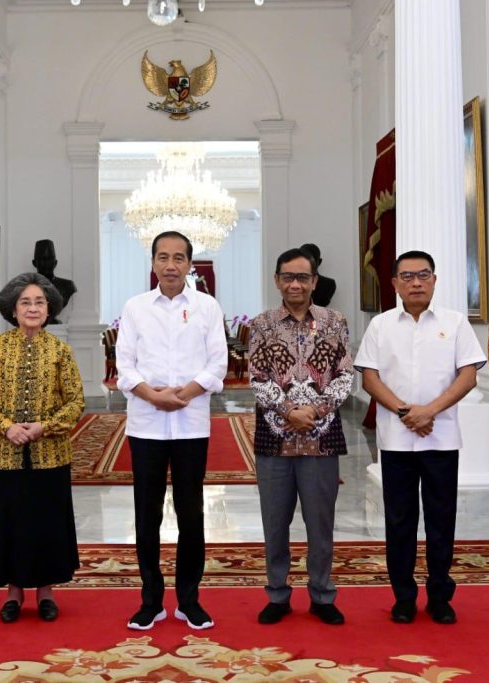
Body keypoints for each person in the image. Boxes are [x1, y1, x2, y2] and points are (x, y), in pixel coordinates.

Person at [355, 250, 486, 625]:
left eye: (423, 275)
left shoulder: (455, 323)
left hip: (440, 438)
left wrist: (429, 411)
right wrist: (405, 412)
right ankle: (404, 597)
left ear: (434, 280)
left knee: (441, 520)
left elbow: (468, 376)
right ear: (395, 283)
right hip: (397, 441)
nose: (416, 283)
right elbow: (370, 378)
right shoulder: (380, 325)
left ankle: (440, 596)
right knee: (399, 521)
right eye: (407, 276)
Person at [115, 230, 229, 631]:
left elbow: (218, 363)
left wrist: (185, 393)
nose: (170, 265)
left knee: (191, 514)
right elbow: (124, 365)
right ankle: (151, 601)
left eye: (179, 258)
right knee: (146, 516)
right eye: (162, 257)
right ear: (152, 263)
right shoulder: (135, 307)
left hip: (190, 424)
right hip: (146, 424)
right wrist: (152, 395)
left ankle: (188, 601)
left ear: (189, 264)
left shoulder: (207, 307)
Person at [0, 272, 85, 623]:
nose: (32, 308)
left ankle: (46, 593)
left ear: (48, 309)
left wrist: (43, 427)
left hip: (50, 455)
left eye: (39, 302)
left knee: (46, 523)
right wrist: (6, 426)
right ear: (13, 310)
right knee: (11, 523)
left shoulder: (60, 350)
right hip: (3, 454)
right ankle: (14, 594)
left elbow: (75, 402)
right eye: (25, 302)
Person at [249, 247, 354, 626]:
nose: (295, 284)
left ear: (314, 281)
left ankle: (322, 595)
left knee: (320, 523)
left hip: (321, 439)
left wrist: (316, 411)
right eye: (288, 277)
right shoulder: (262, 324)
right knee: (275, 523)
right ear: (277, 281)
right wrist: (288, 411)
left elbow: (345, 375)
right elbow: (257, 378)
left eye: (303, 278)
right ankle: (277, 594)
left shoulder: (334, 322)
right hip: (274, 439)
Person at [32, 239, 77, 323]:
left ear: (55, 263)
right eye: (42, 259)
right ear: (34, 263)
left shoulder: (67, 286)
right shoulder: (25, 287)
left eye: (49, 259)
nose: (46, 263)